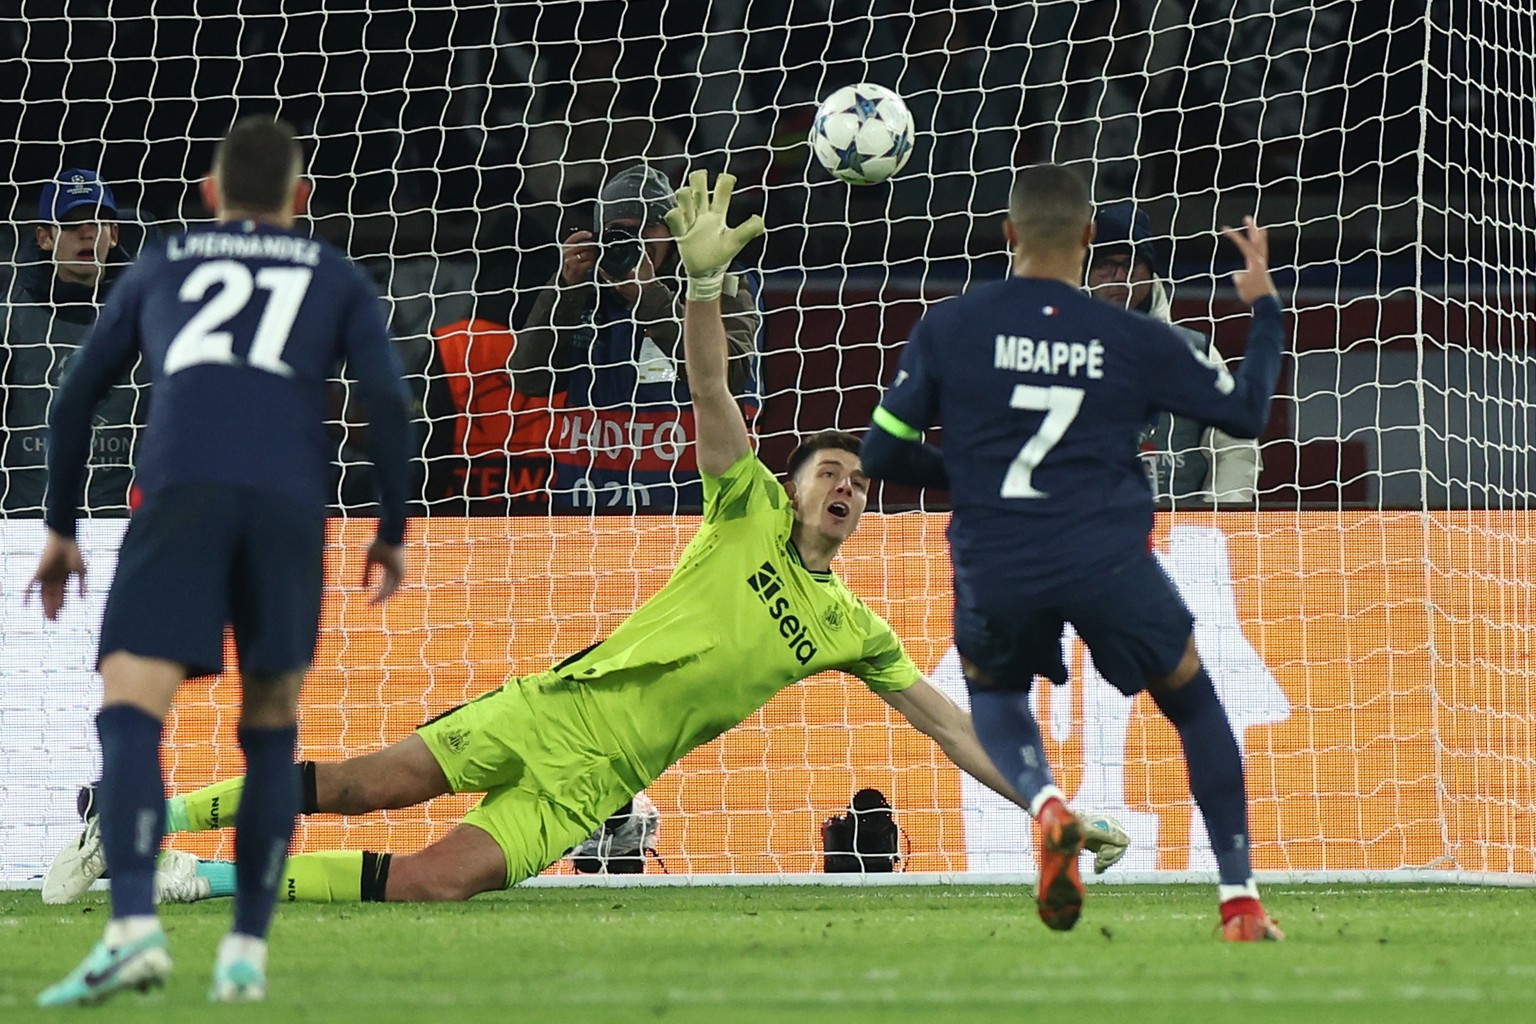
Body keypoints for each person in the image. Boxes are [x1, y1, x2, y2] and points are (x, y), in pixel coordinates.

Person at [43, 172, 1128, 914]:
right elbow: (708, 382)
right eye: (825, 470)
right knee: (360, 783)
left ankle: (195, 878)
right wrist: (702, 283)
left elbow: (951, 726)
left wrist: (1050, 807)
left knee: (431, 885)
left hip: (597, 781)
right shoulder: (741, 504)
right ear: (789, 488)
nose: (842, 482)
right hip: (550, 706)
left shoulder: (849, 627)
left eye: (855, 479)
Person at [29, 116, 414, 1006]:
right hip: (289, 507)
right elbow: (388, 403)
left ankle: (130, 928)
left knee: (131, 710)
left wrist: (59, 527)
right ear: (302, 197)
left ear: (208, 194)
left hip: (181, 493)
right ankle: (244, 952)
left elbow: (76, 397)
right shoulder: (335, 273)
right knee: (271, 725)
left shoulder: (164, 261)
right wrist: (391, 526)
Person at [862, 163, 1287, 940]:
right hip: (1109, 559)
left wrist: (967, 477)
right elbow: (1247, 413)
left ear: (1009, 234)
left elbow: (881, 454)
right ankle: (1239, 898)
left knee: (994, 697)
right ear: (1088, 240)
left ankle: (1047, 804)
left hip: (998, 560)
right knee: (1194, 704)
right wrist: (1262, 313)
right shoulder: (1133, 337)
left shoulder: (950, 326)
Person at [512, 164, 762, 511]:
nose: (633, 243)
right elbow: (528, 379)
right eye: (619, 232)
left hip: (690, 509)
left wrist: (648, 296)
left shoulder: (717, 285)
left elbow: (731, 374)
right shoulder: (582, 289)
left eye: (646, 229)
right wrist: (565, 289)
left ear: (672, 234)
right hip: (585, 508)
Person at [1086, 201, 1261, 504]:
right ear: (1085, 272)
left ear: (1149, 272)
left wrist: (1216, 521)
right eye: (1104, 264)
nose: (1118, 275)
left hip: (1179, 540)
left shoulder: (1194, 352)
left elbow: (1236, 447)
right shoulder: (1060, 351)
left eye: (1129, 264)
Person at [1, 168, 146, 516]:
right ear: (45, 237)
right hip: (25, 523)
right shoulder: (8, 317)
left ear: (113, 234)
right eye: (70, 224)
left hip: (121, 521)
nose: (86, 233)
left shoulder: (148, 315)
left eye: (98, 222)